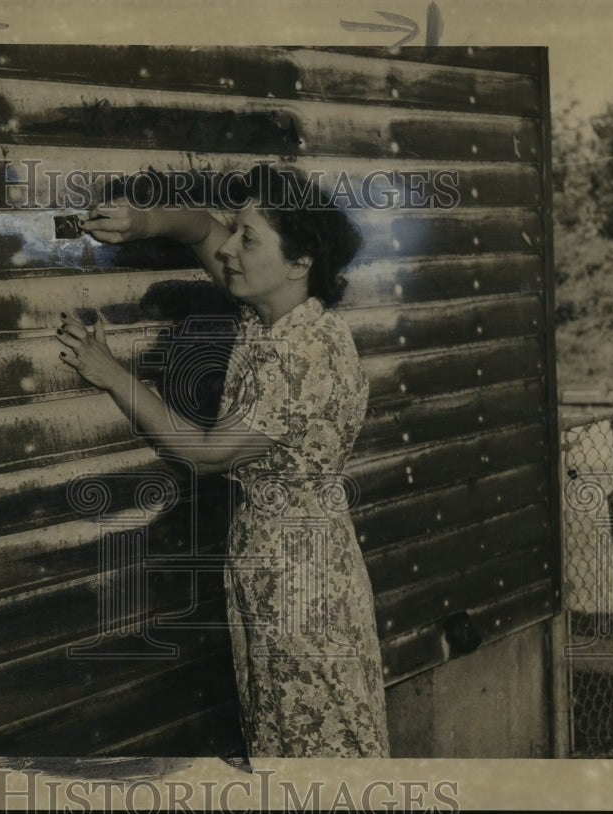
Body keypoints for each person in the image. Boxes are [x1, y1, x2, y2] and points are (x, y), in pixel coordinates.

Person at [56, 167, 390, 758]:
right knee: (289, 739)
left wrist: (107, 372)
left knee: (312, 749)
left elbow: (207, 456)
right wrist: (143, 222)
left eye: (248, 239)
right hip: (285, 564)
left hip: (300, 583)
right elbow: (202, 229)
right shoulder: (283, 314)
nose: (229, 248)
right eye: (238, 233)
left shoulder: (299, 353)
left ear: (298, 261)